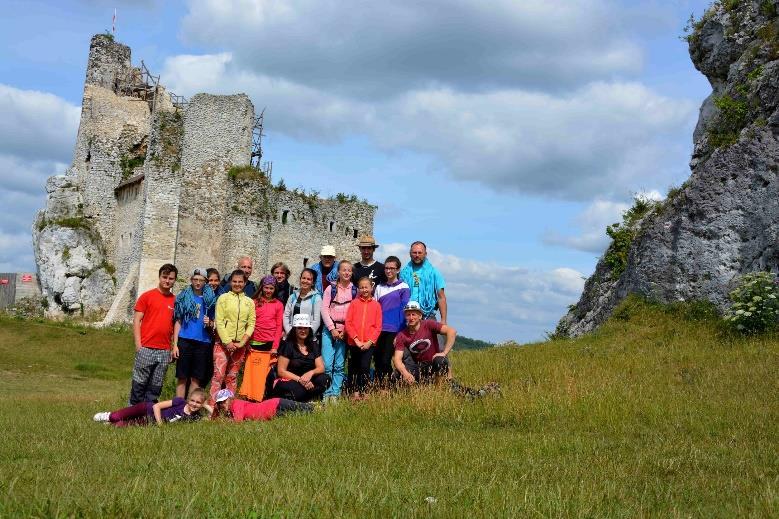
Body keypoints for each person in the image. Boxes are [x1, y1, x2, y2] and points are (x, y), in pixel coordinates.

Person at [129, 263, 178, 405]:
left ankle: (148, 413)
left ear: (174, 280)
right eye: (165, 277)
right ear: (159, 277)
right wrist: (138, 345)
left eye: (171, 278)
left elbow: (176, 325)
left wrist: (173, 346)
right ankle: (132, 413)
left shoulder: (175, 301)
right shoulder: (147, 296)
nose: (167, 281)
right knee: (139, 383)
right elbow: (137, 320)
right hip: (146, 347)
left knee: (156, 386)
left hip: (164, 350)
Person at [209, 269, 256, 405]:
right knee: (218, 376)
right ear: (230, 282)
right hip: (223, 344)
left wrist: (242, 343)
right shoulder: (223, 298)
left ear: (245, 283)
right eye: (234, 281)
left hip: (240, 345)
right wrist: (227, 342)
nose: (237, 284)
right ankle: (212, 408)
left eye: (240, 282)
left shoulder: (249, 302)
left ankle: (228, 407)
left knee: (232, 377)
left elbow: (251, 323)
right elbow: (219, 321)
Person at [172, 267, 217, 398]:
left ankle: (191, 408)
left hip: (203, 342)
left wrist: (210, 323)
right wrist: (175, 344)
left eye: (201, 280)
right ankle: (178, 408)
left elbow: (215, 323)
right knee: (182, 377)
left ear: (205, 282)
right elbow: (178, 321)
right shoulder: (183, 297)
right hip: (185, 340)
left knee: (196, 378)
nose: (198, 283)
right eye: (195, 279)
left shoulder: (210, 300)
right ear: (191, 280)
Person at [239, 275, 283, 402]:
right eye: (266, 288)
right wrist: (246, 342)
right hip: (254, 342)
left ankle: (262, 397)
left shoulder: (278, 305)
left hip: (269, 344)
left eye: (271, 288)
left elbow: (279, 326)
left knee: (264, 374)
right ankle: (249, 396)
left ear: (275, 289)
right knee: (251, 372)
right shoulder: (254, 302)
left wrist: (275, 346)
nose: (268, 291)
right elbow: (249, 323)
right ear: (261, 288)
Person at [393, 301, 457, 384]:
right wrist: (405, 374)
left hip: (433, 363)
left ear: (420, 316)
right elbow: (397, 360)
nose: (411, 318)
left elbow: (452, 331)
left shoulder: (428, 324)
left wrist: (444, 353)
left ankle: (438, 389)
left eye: (414, 314)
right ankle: (416, 388)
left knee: (440, 361)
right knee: (397, 374)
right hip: (417, 366)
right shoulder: (402, 335)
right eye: (408, 315)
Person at [271, 314, 330, 402]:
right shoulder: (288, 345)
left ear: (309, 329)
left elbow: (321, 368)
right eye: (300, 328)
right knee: (300, 391)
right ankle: (307, 399)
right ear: (295, 329)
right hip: (291, 379)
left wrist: (310, 373)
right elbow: (281, 371)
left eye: (305, 328)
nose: (303, 331)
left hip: (309, 379)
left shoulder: (314, 345)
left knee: (325, 379)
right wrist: (300, 380)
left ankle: (310, 398)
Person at [320, 260, 356, 400]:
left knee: (340, 364)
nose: (346, 273)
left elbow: (355, 312)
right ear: (338, 272)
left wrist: (345, 330)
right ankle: (326, 392)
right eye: (344, 270)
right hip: (329, 330)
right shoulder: (331, 289)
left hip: (345, 331)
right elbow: (324, 309)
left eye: (349, 270)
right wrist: (332, 328)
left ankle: (335, 392)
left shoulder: (355, 291)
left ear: (352, 273)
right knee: (327, 364)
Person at [374, 255, 410, 385]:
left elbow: (404, 310)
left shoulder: (404, 287)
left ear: (398, 270)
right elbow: (375, 309)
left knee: (386, 360)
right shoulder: (379, 287)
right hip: (379, 329)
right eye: (386, 268)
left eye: (392, 268)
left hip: (395, 329)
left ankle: (388, 387)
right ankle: (379, 387)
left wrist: (400, 333)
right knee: (377, 359)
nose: (389, 271)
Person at [344, 277, 382, 399]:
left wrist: (370, 342)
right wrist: (356, 339)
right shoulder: (354, 304)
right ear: (358, 289)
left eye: (366, 287)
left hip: (369, 344)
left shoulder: (376, 305)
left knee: (365, 367)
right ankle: (354, 393)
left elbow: (378, 326)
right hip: (354, 342)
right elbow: (348, 323)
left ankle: (365, 392)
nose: (364, 289)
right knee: (354, 367)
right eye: (361, 287)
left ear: (371, 288)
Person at [93, 388, 209, 426]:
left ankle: (112, 423)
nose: (194, 404)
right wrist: (160, 424)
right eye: (192, 400)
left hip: (149, 421)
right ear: (188, 399)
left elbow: (213, 418)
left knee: (119, 426)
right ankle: (108, 416)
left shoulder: (195, 418)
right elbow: (157, 406)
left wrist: (206, 405)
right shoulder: (180, 402)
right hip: (146, 408)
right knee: (115, 417)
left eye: (198, 403)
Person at [399, 241, 447, 323]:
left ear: (425, 254)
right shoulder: (403, 273)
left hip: (428, 315)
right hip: (408, 314)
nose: (417, 255)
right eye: (414, 253)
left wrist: (443, 320)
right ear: (410, 254)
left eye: (420, 253)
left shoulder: (434, 272)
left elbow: (441, 297)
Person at [212, 389, 313, 421]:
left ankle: (318, 407)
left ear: (230, 399)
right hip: (272, 414)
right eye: (219, 403)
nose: (222, 405)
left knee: (303, 407)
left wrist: (225, 421)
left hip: (274, 404)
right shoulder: (231, 411)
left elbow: (238, 421)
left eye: (224, 401)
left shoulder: (236, 404)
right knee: (298, 415)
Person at [283, 268, 322, 337]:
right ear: (300, 279)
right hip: (291, 337)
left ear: (313, 282)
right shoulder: (292, 297)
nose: (305, 281)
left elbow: (316, 321)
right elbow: (286, 316)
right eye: (303, 278)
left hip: (308, 339)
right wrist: (289, 331)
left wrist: (307, 336)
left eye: (309, 279)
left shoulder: (316, 298)